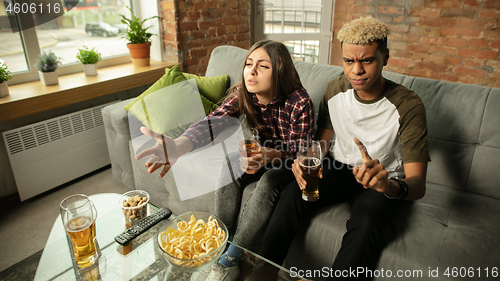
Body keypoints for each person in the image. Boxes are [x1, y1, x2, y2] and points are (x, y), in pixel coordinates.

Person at [258, 17, 431, 280]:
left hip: (382, 178)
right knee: (294, 193)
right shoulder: (335, 89)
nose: (356, 70)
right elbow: (321, 145)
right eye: (349, 61)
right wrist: (304, 159)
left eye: (367, 60)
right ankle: (262, 274)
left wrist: (389, 186)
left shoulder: (408, 105)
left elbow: (417, 184)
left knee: (366, 224)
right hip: (337, 168)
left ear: (385, 57)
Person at [134, 40, 315, 281]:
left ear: (280, 71)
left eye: (263, 66)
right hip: (262, 154)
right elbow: (214, 121)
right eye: (249, 64)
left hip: (288, 161)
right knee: (229, 162)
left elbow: (302, 150)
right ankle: (218, 244)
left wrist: (273, 155)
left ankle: (230, 257)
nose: (251, 71)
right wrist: (178, 145)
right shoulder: (244, 92)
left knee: (271, 180)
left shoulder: (300, 101)